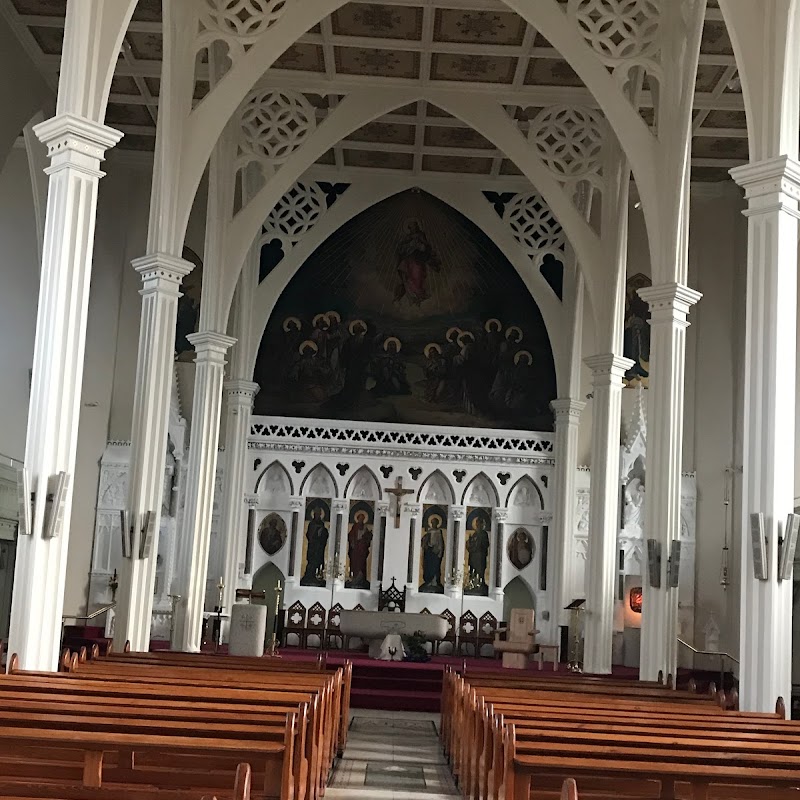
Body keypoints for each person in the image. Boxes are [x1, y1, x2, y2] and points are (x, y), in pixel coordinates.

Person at [301, 506, 329, 586]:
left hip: (319, 546)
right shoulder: (311, 524)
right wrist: (315, 533)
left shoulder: (322, 523)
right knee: (311, 560)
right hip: (313, 546)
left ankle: (318, 575)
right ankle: (310, 575)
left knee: (318, 561)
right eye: (316, 514)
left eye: (319, 514)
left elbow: (325, 535)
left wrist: (323, 532)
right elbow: (308, 534)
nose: (317, 515)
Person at [346, 511, 373, 589]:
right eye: (360, 518)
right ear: (357, 519)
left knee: (361, 564)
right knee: (355, 563)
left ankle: (361, 578)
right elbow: (350, 536)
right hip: (355, 549)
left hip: (362, 549)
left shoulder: (365, 528)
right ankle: (354, 577)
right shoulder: (355, 527)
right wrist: (353, 542)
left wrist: (367, 536)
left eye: (362, 518)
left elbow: (368, 538)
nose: (361, 520)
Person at [420, 514, 445, 592]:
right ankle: (428, 581)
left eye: (435, 522)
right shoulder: (429, 531)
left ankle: (435, 581)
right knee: (428, 567)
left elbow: (440, 543)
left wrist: (439, 552)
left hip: (435, 552)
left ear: (437, 523)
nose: (434, 524)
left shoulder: (438, 531)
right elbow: (424, 541)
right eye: (432, 522)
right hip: (429, 552)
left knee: (435, 567)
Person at [466, 515, 490, 594]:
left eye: (480, 523)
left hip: (480, 555)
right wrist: (470, 542)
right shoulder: (474, 534)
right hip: (474, 555)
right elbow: (470, 545)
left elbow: (486, 544)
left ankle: (480, 583)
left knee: (480, 570)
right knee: (473, 569)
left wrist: (478, 544)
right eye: (477, 523)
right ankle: (472, 584)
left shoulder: (484, 534)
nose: (479, 525)